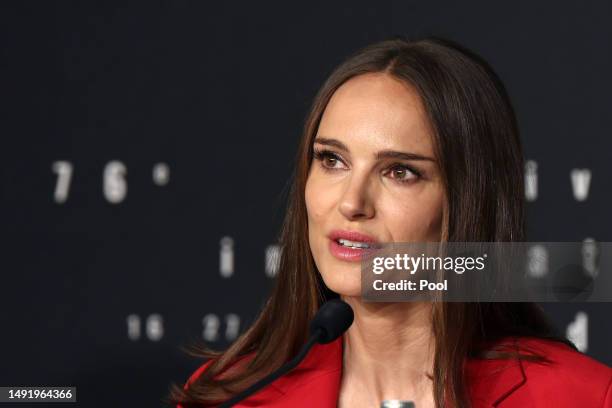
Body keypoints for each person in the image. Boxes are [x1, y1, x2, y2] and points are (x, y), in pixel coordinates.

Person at [167, 37, 612, 407]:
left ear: (468, 200)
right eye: (332, 160)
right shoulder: (232, 395)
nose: (352, 203)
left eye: (399, 171)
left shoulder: (584, 397)